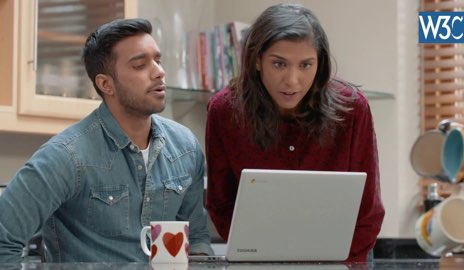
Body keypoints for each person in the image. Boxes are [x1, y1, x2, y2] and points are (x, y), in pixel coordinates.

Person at [0, 18, 213, 262]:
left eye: (158, 60)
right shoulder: (65, 157)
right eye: (140, 65)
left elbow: (197, 240)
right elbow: (3, 241)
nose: (159, 71)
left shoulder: (185, 147)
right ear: (105, 84)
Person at [205, 3, 384, 262]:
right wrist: (260, 256)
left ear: (319, 63)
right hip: (259, 263)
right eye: (279, 64)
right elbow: (221, 205)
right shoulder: (224, 111)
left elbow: (368, 212)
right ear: (257, 60)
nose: (292, 80)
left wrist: (334, 264)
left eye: (305, 65)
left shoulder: (353, 109)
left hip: (342, 263)